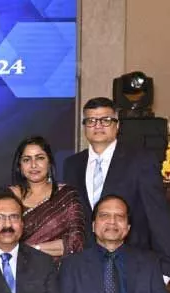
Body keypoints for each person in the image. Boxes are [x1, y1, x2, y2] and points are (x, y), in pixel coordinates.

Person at [63, 97, 170, 276]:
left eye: (105, 120)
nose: (98, 126)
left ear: (117, 125)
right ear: (84, 127)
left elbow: (158, 216)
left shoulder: (141, 160)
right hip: (87, 267)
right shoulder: (72, 164)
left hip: (133, 265)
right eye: (91, 120)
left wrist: (166, 270)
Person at [8, 136, 85, 264]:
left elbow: (76, 242)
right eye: (27, 159)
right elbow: (1, 239)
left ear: (49, 163)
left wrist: (33, 250)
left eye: (40, 158)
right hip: (16, 269)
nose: (33, 165)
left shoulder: (66, 195)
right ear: (20, 166)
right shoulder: (8, 197)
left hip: (57, 271)